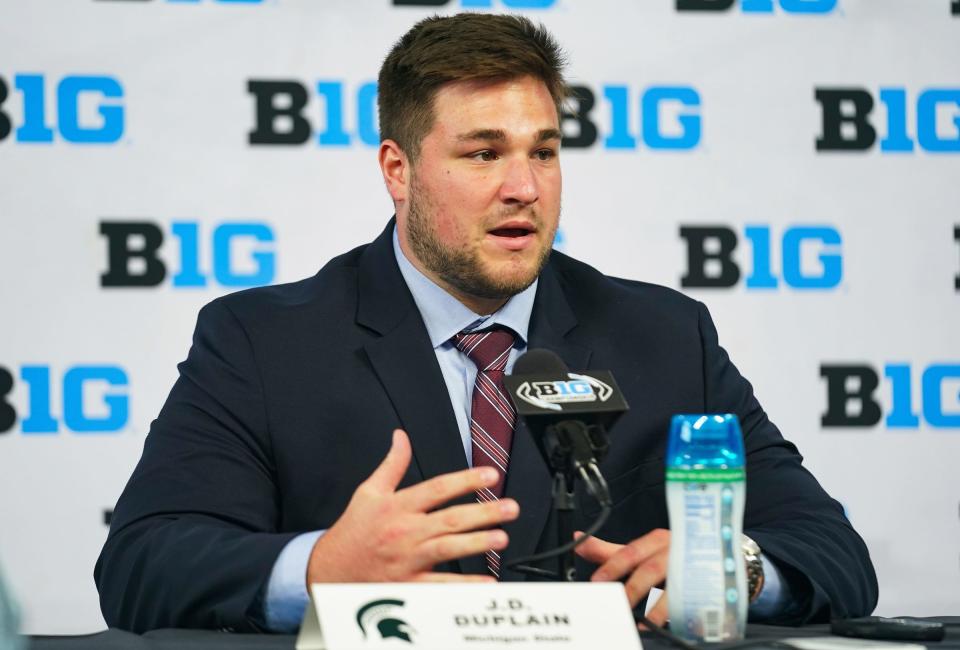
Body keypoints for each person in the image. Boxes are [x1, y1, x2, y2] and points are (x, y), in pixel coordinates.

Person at [95, 13, 878, 634]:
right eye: (481, 154)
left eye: (544, 152)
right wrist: (320, 571)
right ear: (397, 171)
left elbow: (834, 554)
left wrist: (730, 566)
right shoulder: (263, 342)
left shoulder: (666, 336)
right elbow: (141, 565)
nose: (523, 187)